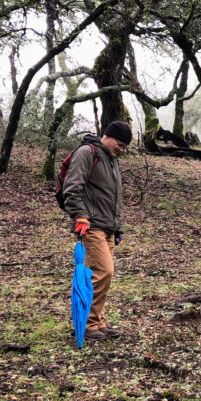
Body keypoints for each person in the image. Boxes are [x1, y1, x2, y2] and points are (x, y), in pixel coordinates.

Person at [62, 121, 130, 341]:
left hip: (108, 228)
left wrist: (117, 228)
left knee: (102, 276)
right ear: (107, 136)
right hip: (91, 226)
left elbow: (114, 197)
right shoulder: (87, 153)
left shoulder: (111, 160)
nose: (121, 149)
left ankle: (97, 322)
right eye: (119, 143)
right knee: (104, 272)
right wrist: (80, 216)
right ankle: (88, 324)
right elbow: (72, 188)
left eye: (125, 146)